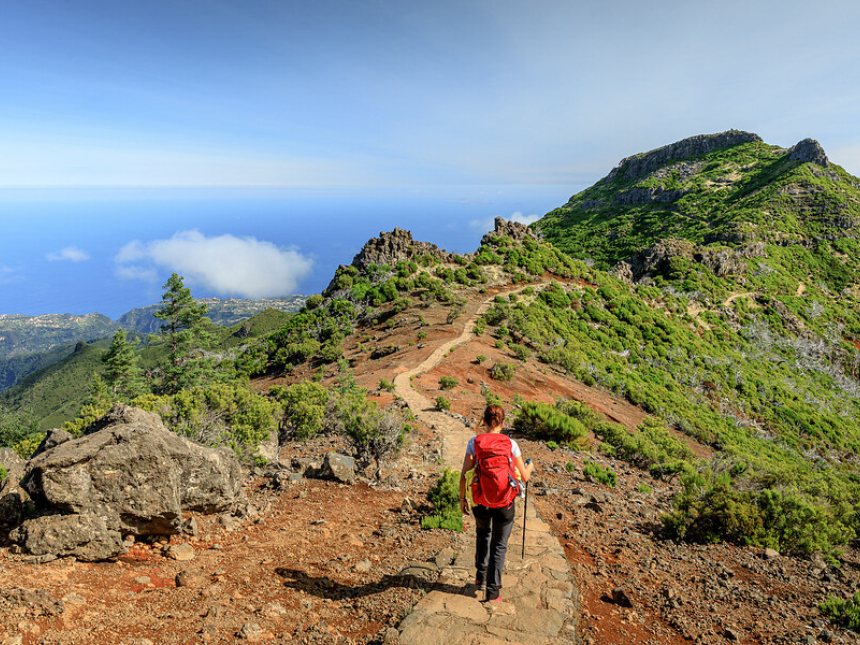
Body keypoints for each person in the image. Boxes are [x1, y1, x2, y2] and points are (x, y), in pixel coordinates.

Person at [459, 404, 534, 602]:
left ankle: (480, 577)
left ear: (484, 421)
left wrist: (462, 498)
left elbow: (464, 475)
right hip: (504, 502)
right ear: (503, 422)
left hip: (480, 500)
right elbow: (525, 476)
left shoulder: (474, 442)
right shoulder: (511, 444)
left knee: (483, 535)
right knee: (499, 545)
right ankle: (493, 592)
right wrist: (530, 466)